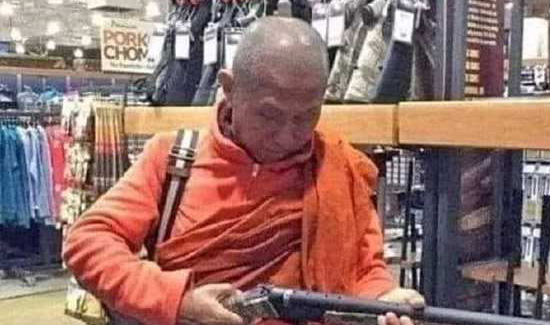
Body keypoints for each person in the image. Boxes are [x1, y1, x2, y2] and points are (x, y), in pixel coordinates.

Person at [63, 17, 424, 325]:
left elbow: (363, 269)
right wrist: (176, 300)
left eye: (306, 116)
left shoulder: (335, 165)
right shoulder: (172, 157)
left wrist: (384, 298)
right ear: (229, 89)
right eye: (270, 114)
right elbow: (88, 241)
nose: (289, 134)